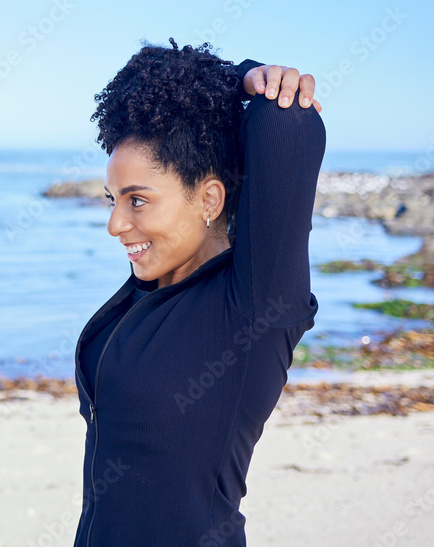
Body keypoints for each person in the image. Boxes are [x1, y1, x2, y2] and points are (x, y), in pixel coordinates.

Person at [73, 39, 325, 546]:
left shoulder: (254, 306)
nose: (116, 223)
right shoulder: (150, 290)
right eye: (112, 200)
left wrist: (246, 79)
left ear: (209, 198)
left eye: (137, 200)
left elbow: (288, 123)